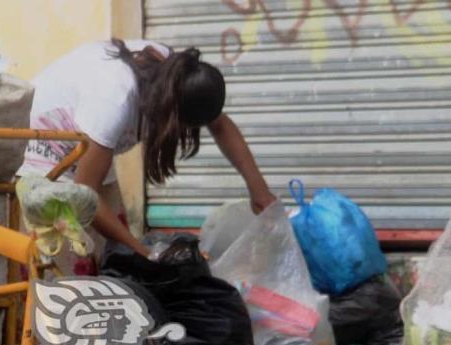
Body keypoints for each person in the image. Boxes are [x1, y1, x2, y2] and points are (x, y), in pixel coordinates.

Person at [18, 38, 276, 264]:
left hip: (88, 155)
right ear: (171, 115)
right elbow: (84, 193)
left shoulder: (176, 76)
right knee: (66, 275)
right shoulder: (115, 100)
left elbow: (219, 124)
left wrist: (259, 191)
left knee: (108, 259)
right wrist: (143, 253)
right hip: (45, 158)